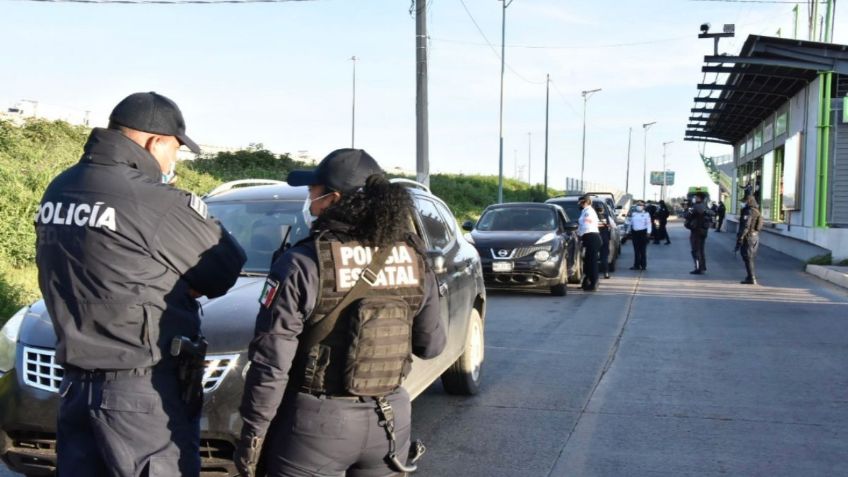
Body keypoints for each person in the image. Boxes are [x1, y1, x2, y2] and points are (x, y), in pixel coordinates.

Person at [35, 92, 247, 476]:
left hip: (74, 387)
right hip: (139, 391)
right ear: (155, 142)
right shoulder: (152, 199)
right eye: (176, 150)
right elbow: (223, 269)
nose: (173, 161)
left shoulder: (61, 188)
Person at [234, 149, 446, 477]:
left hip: (315, 427)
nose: (309, 203)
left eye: (312, 194)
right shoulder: (414, 258)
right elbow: (431, 345)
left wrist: (254, 433)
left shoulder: (304, 262)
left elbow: (271, 362)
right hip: (389, 422)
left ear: (334, 199)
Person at [577, 196, 602, 291]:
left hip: (592, 237)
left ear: (585, 202)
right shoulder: (584, 211)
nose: (579, 204)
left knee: (592, 262)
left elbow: (586, 226)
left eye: (580, 202)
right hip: (588, 237)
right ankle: (586, 282)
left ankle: (594, 284)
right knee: (587, 262)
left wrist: (579, 234)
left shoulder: (588, 212)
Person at [736, 196, 762, 284]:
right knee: (749, 257)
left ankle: (752, 278)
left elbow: (746, 226)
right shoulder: (756, 211)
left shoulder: (749, 211)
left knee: (748, 257)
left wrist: (741, 238)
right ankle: (749, 276)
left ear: (749, 201)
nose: (742, 203)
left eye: (744, 201)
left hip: (749, 237)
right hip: (755, 237)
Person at [686, 192, 709, 274]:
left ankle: (698, 268)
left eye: (696, 197)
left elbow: (687, 216)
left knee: (695, 250)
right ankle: (703, 267)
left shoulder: (695, 206)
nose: (694, 198)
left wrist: (687, 210)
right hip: (703, 231)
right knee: (701, 250)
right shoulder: (705, 206)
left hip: (696, 231)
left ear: (699, 198)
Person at [628, 201, 652, 271]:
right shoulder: (634, 214)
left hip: (643, 233)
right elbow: (631, 223)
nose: (639, 206)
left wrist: (648, 232)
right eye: (638, 205)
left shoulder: (646, 214)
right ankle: (636, 265)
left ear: (643, 206)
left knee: (643, 250)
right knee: (636, 250)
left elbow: (649, 224)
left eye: (641, 205)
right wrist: (628, 231)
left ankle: (643, 265)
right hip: (635, 233)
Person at [594, 203, 612, 279]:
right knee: (604, 257)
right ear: (603, 209)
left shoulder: (593, 217)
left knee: (593, 257)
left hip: (595, 238)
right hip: (605, 239)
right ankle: (606, 273)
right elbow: (612, 226)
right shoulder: (607, 217)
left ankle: (594, 274)